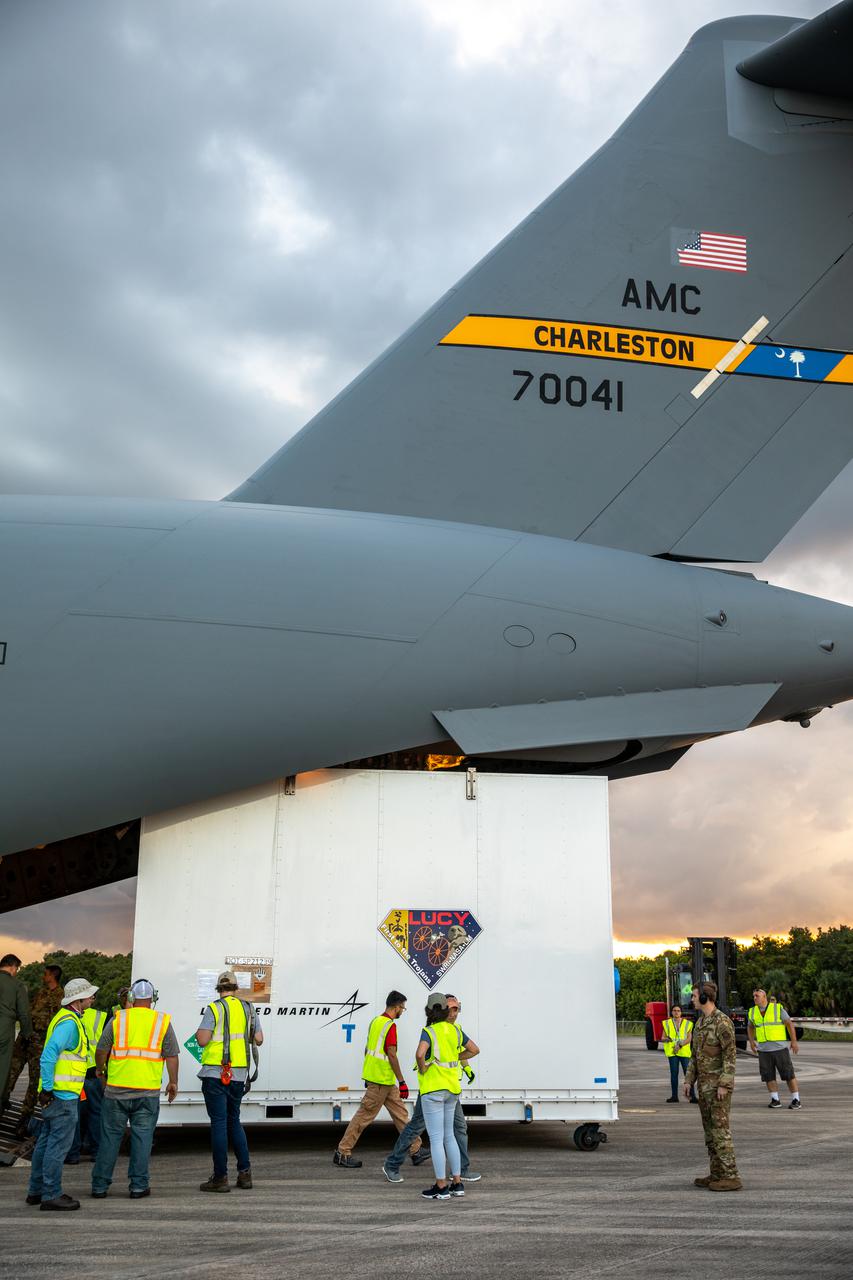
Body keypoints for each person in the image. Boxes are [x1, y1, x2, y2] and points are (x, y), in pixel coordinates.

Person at [91, 978, 179, 1199]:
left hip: (116, 1091)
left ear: (130, 998)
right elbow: (172, 1056)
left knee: (110, 1138)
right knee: (142, 1138)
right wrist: (173, 1082)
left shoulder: (118, 1019)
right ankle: (138, 1186)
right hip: (147, 1092)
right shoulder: (162, 1021)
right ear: (153, 999)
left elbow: (102, 1049)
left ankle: (100, 1186)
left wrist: (101, 1070)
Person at [382, 991, 480, 1184]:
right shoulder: (434, 1030)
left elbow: (464, 1052)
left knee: (458, 1128)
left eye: (457, 1009)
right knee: (418, 1127)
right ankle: (392, 1164)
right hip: (432, 1087)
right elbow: (422, 1055)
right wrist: (425, 1067)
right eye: (451, 1009)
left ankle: (460, 1170)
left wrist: (463, 1065)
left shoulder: (455, 1030)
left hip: (448, 1089)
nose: (454, 1013)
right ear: (444, 1010)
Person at [26, 976, 98, 1211]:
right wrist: (47, 1088)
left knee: (45, 1143)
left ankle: (36, 1191)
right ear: (78, 999)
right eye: (89, 994)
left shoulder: (67, 1019)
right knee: (57, 1147)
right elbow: (48, 1056)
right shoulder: (69, 1024)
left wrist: (46, 1090)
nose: (92, 997)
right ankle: (51, 1194)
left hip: (56, 1095)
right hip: (62, 1096)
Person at [334, 989, 421, 1170]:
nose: (402, 1012)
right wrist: (402, 1081)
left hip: (384, 1081)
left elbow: (367, 1049)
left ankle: (415, 1149)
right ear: (396, 1007)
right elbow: (391, 1054)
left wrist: (370, 1074)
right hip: (380, 1081)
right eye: (402, 1009)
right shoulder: (390, 1025)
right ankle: (342, 1152)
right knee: (363, 1117)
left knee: (401, 1115)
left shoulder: (375, 1022)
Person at [196, 970, 263, 1192]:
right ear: (236, 988)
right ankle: (245, 1175)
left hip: (216, 1074)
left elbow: (203, 1040)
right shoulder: (249, 1008)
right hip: (239, 1075)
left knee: (219, 1123)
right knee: (234, 1121)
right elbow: (259, 1040)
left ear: (218, 989)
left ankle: (220, 1178)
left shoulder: (214, 1008)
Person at [683, 981, 741, 1191]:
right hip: (704, 1088)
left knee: (720, 1131)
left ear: (705, 998)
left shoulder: (722, 1023)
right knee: (709, 1132)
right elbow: (695, 1056)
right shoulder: (700, 1023)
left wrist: (724, 1084)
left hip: (718, 1088)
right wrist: (689, 1080)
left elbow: (730, 1055)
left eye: (694, 995)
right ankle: (717, 1173)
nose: (692, 999)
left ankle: (731, 1175)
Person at [415, 990, 464, 1199]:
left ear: (428, 1011)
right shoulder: (454, 1031)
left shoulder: (429, 1031)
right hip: (452, 1089)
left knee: (435, 1140)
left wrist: (423, 1067)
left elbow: (419, 1053)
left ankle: (441, 1186)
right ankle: (457, 1183)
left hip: (433, 1090)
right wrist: (456, 1056)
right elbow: (474, 1049)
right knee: (449, 1136)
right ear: (445, 1010)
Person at [4, 963, 62, 1135]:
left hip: (40, 1042)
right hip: (25, 1037)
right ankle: (3, 1100)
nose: (43, 977)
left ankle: (24, 1120)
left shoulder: (60, 996)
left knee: (34, 1081)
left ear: (53, 976)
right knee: (11, 1071)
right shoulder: (40, 992)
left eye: (45, 974)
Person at [747, 987, 801, 1109]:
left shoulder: (777, 1008)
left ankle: (796, 1100)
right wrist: (751, 1042)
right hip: (763, 1049)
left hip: (779, 1048)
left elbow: (789, 1024)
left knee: (788, 1074)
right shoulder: (752, 1011)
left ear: (764, 997)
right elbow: (750, 1027)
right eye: (754, 996)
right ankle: (775, 1099)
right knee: (768, 1076)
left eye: (757, 996)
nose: (755, 998)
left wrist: (794, 1041)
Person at [0, 953, 33, 1116]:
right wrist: (28, 1034)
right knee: (3, 1068)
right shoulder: (17, 985)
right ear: (13, 966)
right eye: (17, 969)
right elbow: (24, 1013)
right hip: (4, 1029)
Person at [79, 1001, 108, 1156]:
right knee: (96, 1111)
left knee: (76, 1114)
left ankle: (73, 1152)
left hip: (74, 1072)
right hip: (94, 1071)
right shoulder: (101, 1016)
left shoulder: (69, 1016)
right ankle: (96, 1150)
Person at [661, 1003, 696, 1104]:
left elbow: (689, 1038)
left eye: (678, 1011)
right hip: (672, 1052)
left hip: (684, 1052)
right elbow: (662, 1037)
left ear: (681, 1012)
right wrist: (666, 1039)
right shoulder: (667, 1023)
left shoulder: (687, 1024)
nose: (676, 1012)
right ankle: (674, 1096)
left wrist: (680, 1045)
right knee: (674, 1074)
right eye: (674, 1011)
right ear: (671, 1012)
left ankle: (693, 1096)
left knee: (688, 1074)